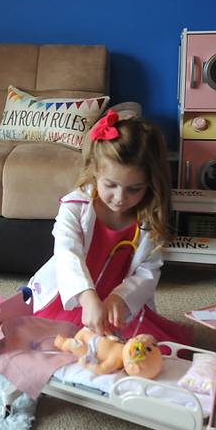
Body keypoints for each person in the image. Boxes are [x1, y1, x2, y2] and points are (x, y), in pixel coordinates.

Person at [26, 110, 192, 345]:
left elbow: (148, 271)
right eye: (110, 185)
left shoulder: (147, 218)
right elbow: (66, 253)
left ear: (151, 184)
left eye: (134, 189)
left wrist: (120, 298)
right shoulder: (74, 206)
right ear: (95, 172)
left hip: (118, 308)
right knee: (51, 344)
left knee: (138, 351)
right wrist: (86, 297)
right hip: (75, 297)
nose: (120, 198)